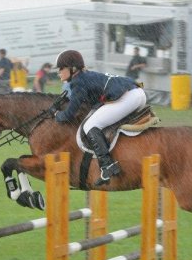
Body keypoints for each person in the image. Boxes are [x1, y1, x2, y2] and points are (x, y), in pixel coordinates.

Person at [52, 50, 146, 186]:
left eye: (61, 68)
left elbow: (69, 114)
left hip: (129, 98)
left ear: (73, 68)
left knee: (90, 125)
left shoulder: (78, 82)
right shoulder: (84, 76)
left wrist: (56, 114)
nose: (59, 72)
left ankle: (107, 165)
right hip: (136, 93)